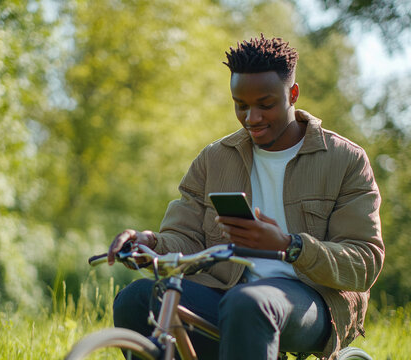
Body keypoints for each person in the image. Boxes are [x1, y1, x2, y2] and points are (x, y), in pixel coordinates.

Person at [108, 35, 384, 360]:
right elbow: (185, 237)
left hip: (314, 300)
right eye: (241, 105)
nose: (252, 117)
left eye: (265, 105)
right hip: (227, 292)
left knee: (250, 303)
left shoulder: (345, 159)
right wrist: (150, 242)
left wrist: (289, 245)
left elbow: (365, 261)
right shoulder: (214, 159)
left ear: (292, 94)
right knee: (136, 298)